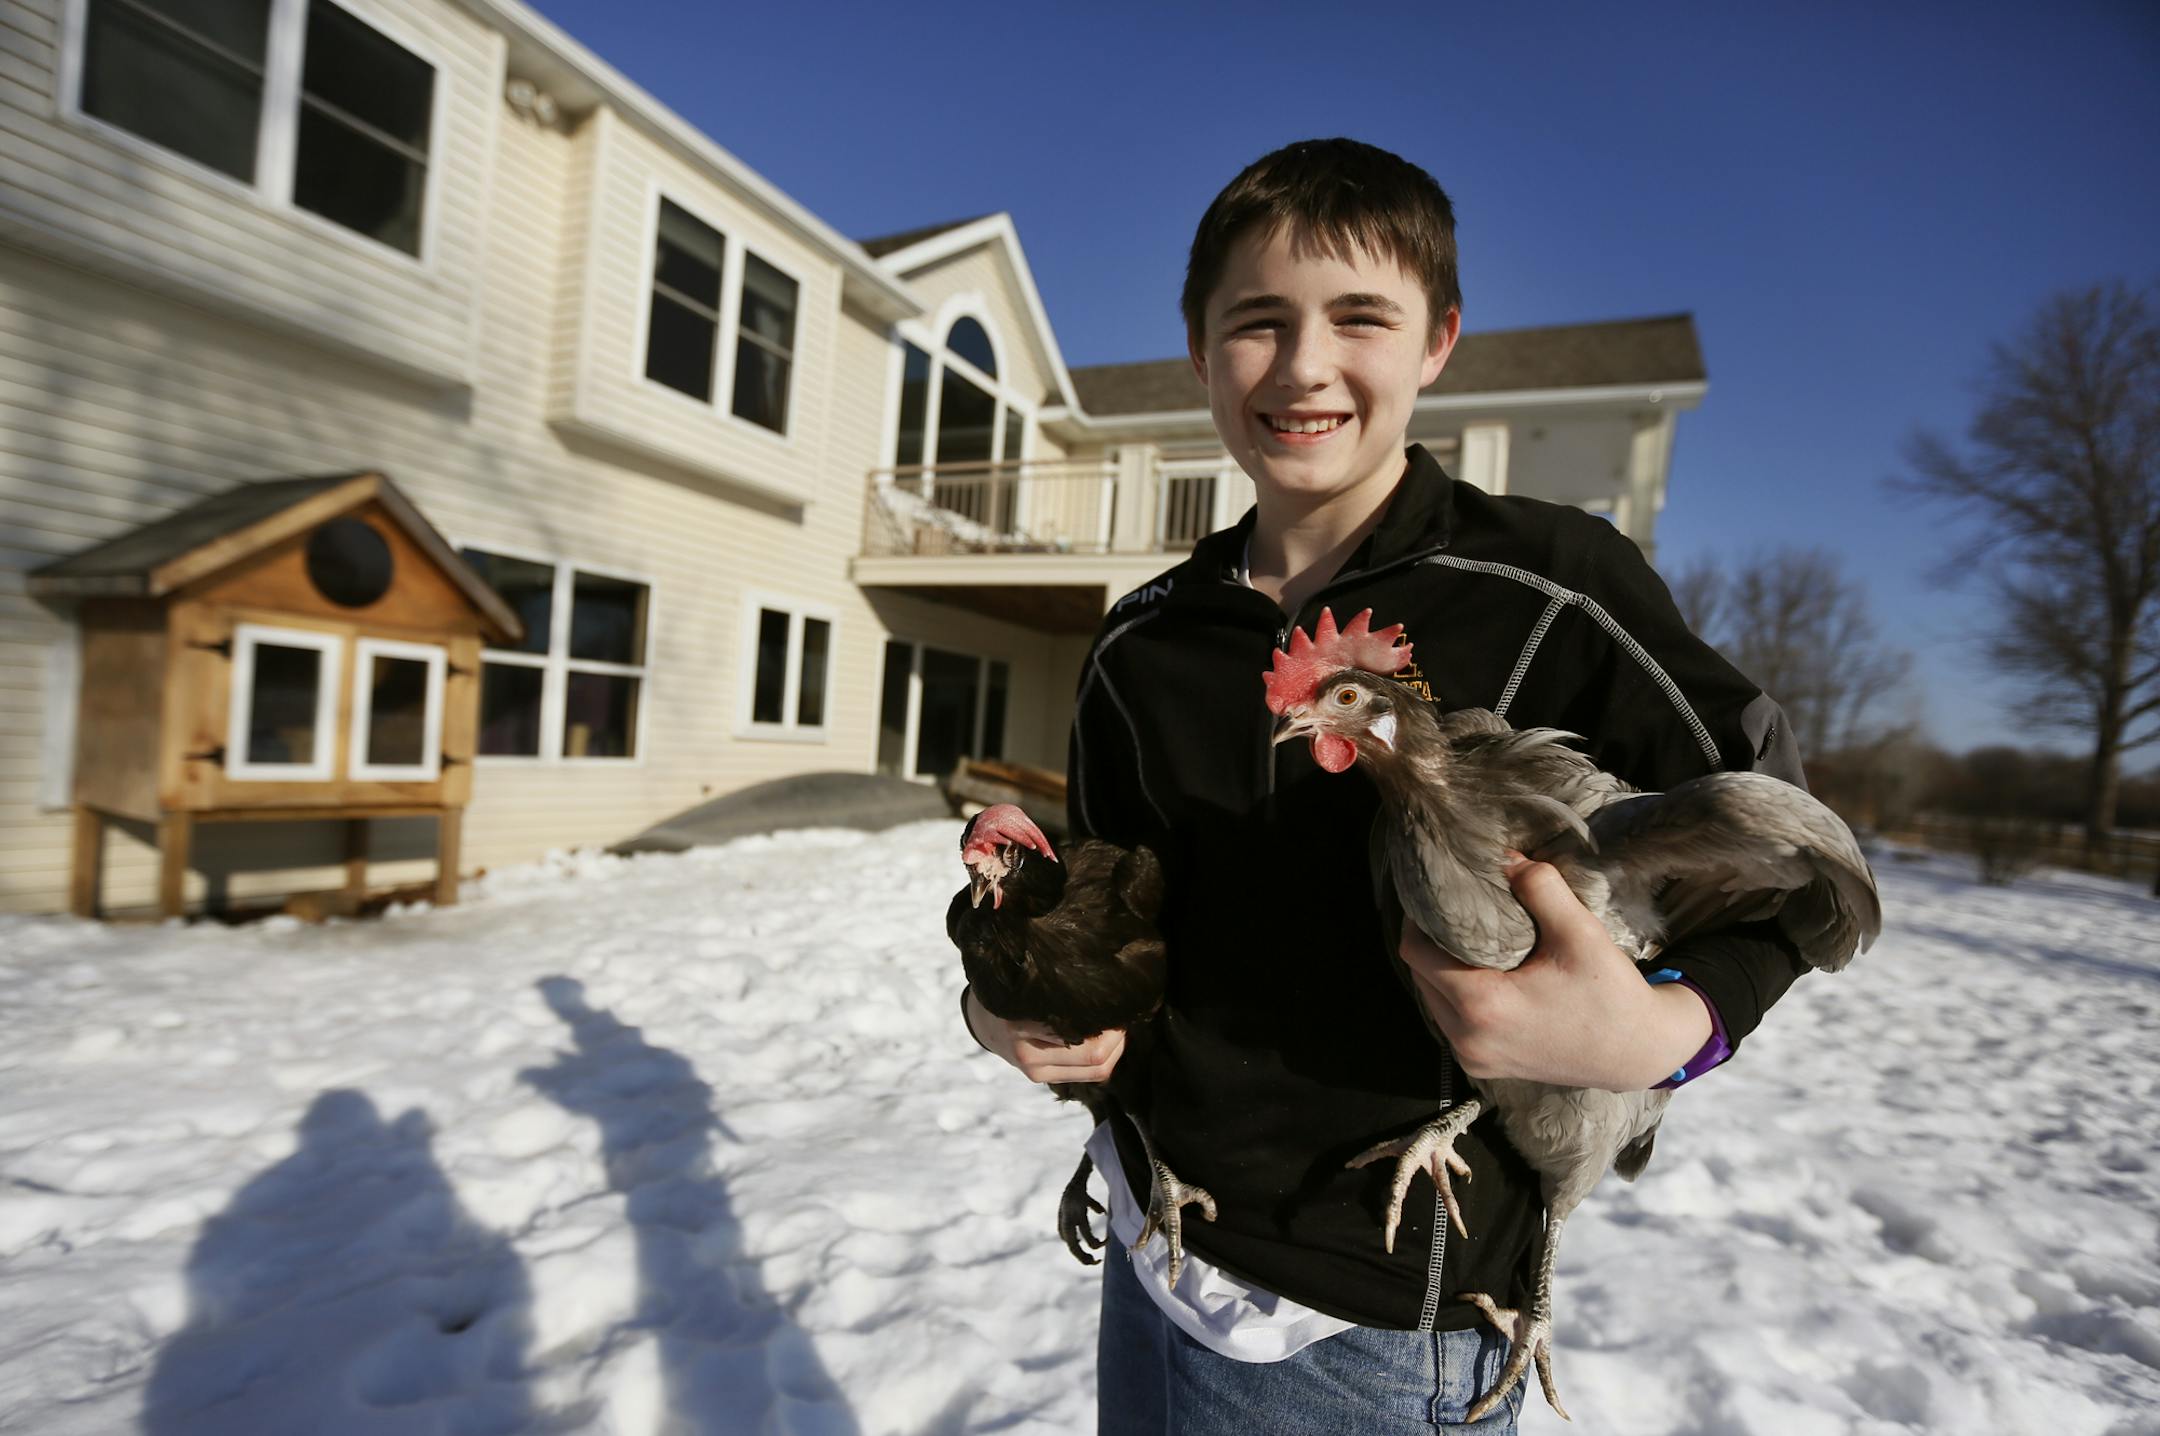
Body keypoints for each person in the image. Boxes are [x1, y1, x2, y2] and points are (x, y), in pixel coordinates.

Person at [961, 137, 1809, 1434]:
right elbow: (1119, 906)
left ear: (1438, 343)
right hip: (1155, 1241)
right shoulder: (1143, 642)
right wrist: (1014, 1008)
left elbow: (1791, 856)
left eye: (1360, 317)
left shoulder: (1553, 586)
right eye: (1256, 323)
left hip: (1384, 1322)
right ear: (1200, 353)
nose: (1303, 366)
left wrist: (1668, 1034)